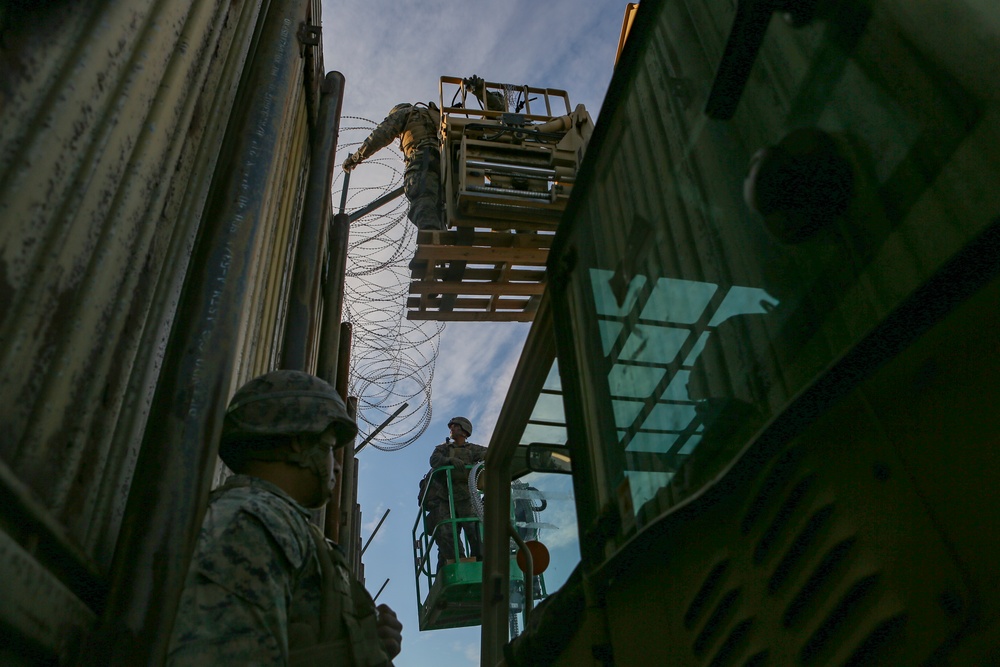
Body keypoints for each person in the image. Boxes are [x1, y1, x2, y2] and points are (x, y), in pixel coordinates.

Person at [167, 370, 403, 666]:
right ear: (298, 443)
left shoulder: (284, 526)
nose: (338, 468)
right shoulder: (253, 523)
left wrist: (364, 645)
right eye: (329, 447)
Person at [342, 101, 446, 231]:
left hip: (424, 157)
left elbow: (381, 134)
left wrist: (356, 157)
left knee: (421, 195)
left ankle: (430, 239)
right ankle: (442, 240)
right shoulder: (436, 115)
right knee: (443, 208)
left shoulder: (405, 113)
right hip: (449, 162)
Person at [422, 416, 488, 570]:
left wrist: (476, 464)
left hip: (467, 495)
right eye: (451, 427)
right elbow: (434, 460)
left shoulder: (473, 449)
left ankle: (480, 562)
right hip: (447, 497)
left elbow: (488, 454)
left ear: (464, 431)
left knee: (474, 530)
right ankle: (459, 563)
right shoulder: (443, 448)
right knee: (446, 532)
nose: (451, 429)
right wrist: (449, 461)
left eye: (455, 427)